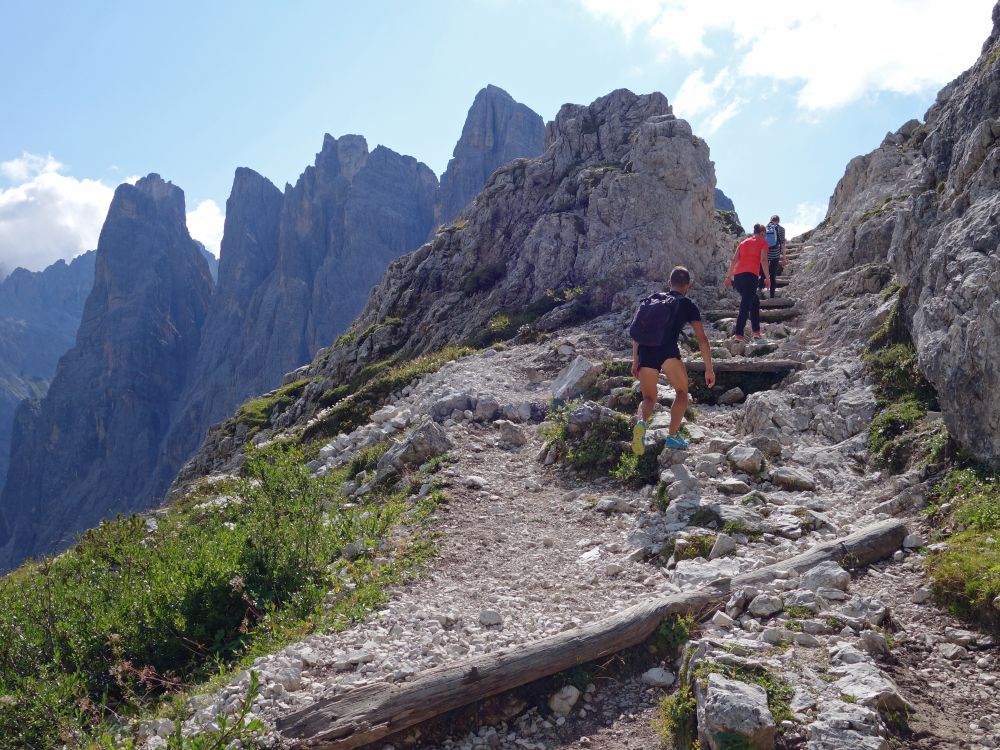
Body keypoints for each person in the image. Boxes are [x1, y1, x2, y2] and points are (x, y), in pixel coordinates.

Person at [630, 266, 716, 454]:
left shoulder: (653, 300)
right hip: (667, 351)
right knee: (682, 392)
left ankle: (641, 425)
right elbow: (702, 338)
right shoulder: (687, 304)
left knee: (649, 398)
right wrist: (709, 368)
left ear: (669, 283)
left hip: (645, 351)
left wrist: (635, 361)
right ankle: (672, 437)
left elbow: (638, 334)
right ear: (687, 286)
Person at [725, 224, 770, 340]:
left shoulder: (743, 243)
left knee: (754, 301)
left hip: (738, 278)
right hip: (751, 277)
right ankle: (739, 334)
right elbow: (764, 260)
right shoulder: (763, 242)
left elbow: (734, 260)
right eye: (764, 235)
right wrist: (768, 278)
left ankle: (756, 332)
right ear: (761, 233)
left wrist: (729, 277)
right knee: (745, 305)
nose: (765, 238)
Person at [759, 214, 787, 298]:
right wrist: (784, 258)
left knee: (762, 274)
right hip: (775, 254)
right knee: (773, 275)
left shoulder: (764, 228)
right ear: (778, 221)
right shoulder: (781, 229)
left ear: (770, 220)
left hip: (765, 253)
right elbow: (782, 243)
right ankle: (771, 295)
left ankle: (758, 293)